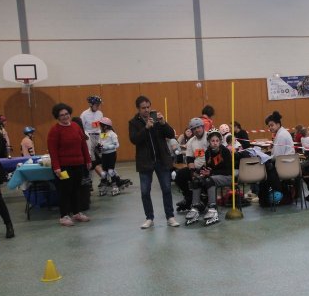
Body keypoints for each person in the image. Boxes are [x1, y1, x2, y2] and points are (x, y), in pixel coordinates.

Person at [128, 96, 180, 229]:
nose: (146, 110)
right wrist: (146, 128)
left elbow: (171, 134)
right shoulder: (133, 122)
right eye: (143, 108)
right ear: (138, 109)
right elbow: (134, 139)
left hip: (161, 160)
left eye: (148, 107)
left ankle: (170, 216)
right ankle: (149, 218)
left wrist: (163, 123)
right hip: (145, 161)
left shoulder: (157, 119)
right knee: (145, 191)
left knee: (166, 189)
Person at [47, 103, 92, 227]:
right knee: (64, 191)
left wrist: (88, 160)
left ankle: (76, 213)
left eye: (66, 114)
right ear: (57, 117)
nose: (65, 116)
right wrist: (56, 167)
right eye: (62, 115)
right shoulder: (54, 130)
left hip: (78, 165)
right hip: (63, 167)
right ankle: (64, 216)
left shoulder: (76, 126)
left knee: (76, 189)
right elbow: (53, 150)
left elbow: (83, 144)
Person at [184, 129, 232, 227]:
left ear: (220, 141)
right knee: (196, 180)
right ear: (209, 142)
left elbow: (228, 171)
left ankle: (212, 209)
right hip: (214, 176)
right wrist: (199, 172)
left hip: (227, 176)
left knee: (209, 180)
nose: (215, 143)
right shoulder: (208, 152)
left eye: (217, 141)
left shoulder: (225, 151)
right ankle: (195, 208)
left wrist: (211, 173)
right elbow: (209, 167)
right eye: (212, 141)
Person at [97, 117, 125, 196]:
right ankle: (104, 186)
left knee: (110, 171)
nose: (100, 127)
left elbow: (117, 145)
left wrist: (107, 147)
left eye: (101, 125)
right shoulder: (102, 134)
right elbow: (101, 142)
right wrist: (99, 146)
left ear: (105, 126)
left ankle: (115, 186)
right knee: (104, 173)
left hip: (111, 154)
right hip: (104, 155)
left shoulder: (112, 134)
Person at [80, 96, 104, 179]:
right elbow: (81, 128)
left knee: (102, 158)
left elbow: (101, 126)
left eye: (99, 105)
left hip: (99, 136)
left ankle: (106, 178)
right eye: (97, 105)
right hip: (89, 137)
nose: (98, 107)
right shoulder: (84, 114)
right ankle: (90, 179)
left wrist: (103, 138)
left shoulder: (100, 113)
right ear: (91, 104)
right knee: (92, 159)